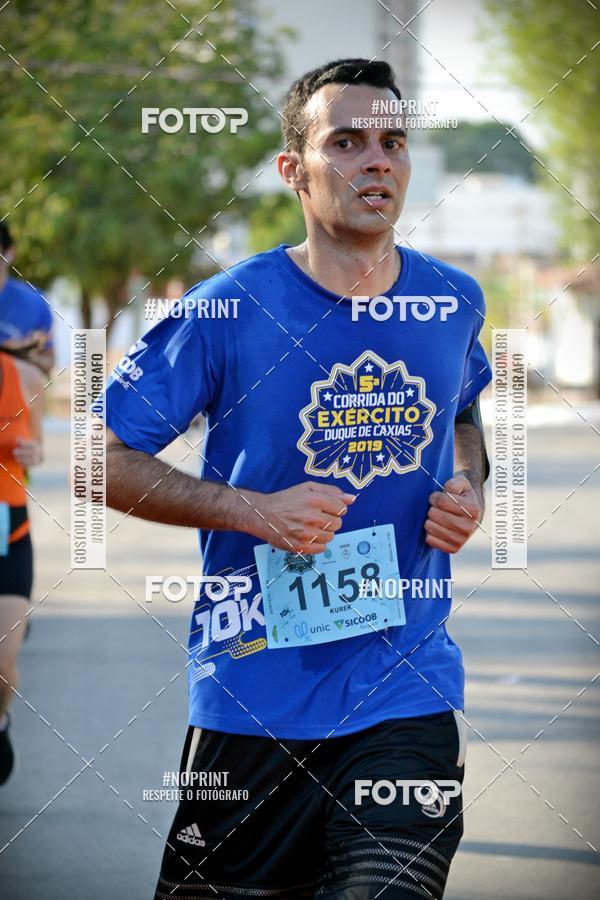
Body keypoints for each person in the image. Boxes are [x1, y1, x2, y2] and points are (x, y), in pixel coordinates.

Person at [105, 59, 492, 899]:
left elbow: (465, 413)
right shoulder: (228, 307)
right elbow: (99, 457)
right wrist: (250, 511)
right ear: (294, 169)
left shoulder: (451, 301)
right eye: (345, 142)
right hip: (253, 691)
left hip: (406, 684)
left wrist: (469, 489)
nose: (375, 161)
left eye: (392, 141)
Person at [0, 348, 44, 784]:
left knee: (4, 658)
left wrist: (32, 451)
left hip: (7, 532)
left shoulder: (25, 376)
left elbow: (39, 450)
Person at [0, 222, 54, 376]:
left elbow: (48, 363)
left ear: (10, 253)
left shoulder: (36, 302)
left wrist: (24, 354)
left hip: (15, 396)